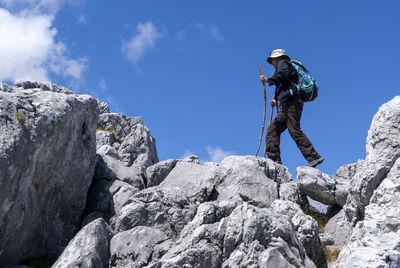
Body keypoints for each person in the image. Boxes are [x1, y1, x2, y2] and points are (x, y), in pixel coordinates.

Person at [259, 49, 324, 168]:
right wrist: (275, 101)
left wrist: (268, 80)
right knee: (273, 130)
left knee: (293, 130)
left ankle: (313, 157)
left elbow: (283, 76)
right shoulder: (282, 67)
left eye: (272, 60)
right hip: (286, 104)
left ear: (276, 58)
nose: (272, 62)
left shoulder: (283, 64)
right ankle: (275, 160)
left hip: (290, 103)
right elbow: (285, 86)